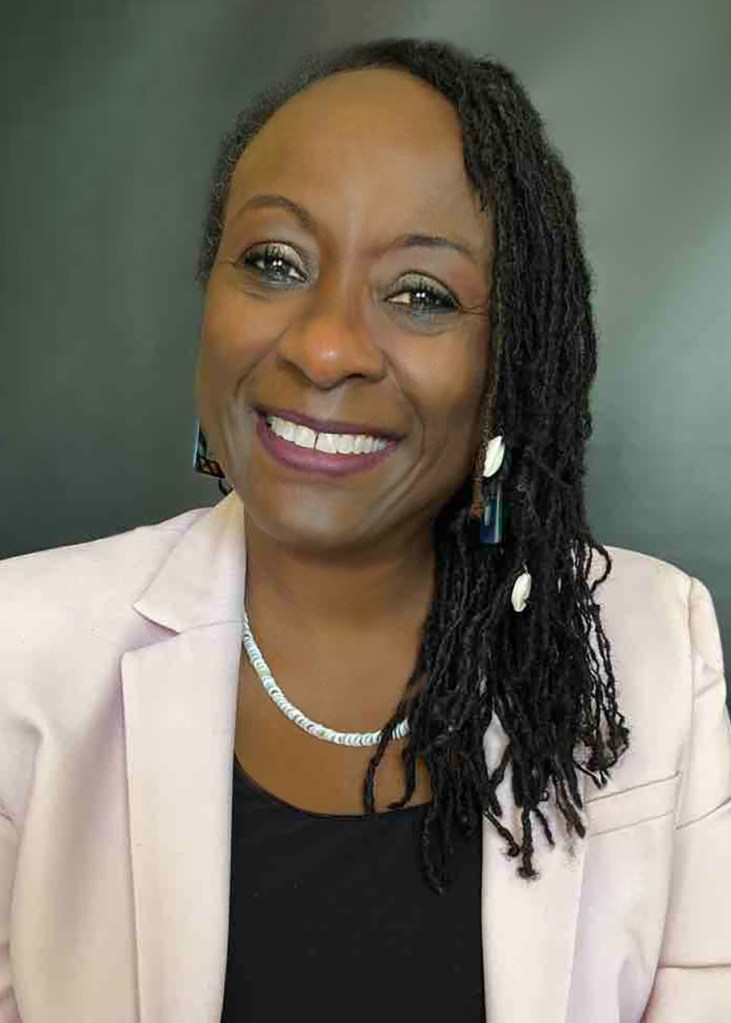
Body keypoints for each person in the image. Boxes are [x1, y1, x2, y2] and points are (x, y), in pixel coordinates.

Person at [0, 35, 729, 1023]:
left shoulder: (654, 645)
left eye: (420, 294)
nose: (324, 346)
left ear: (512, 361)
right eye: (274, 262)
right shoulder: (19, 652)